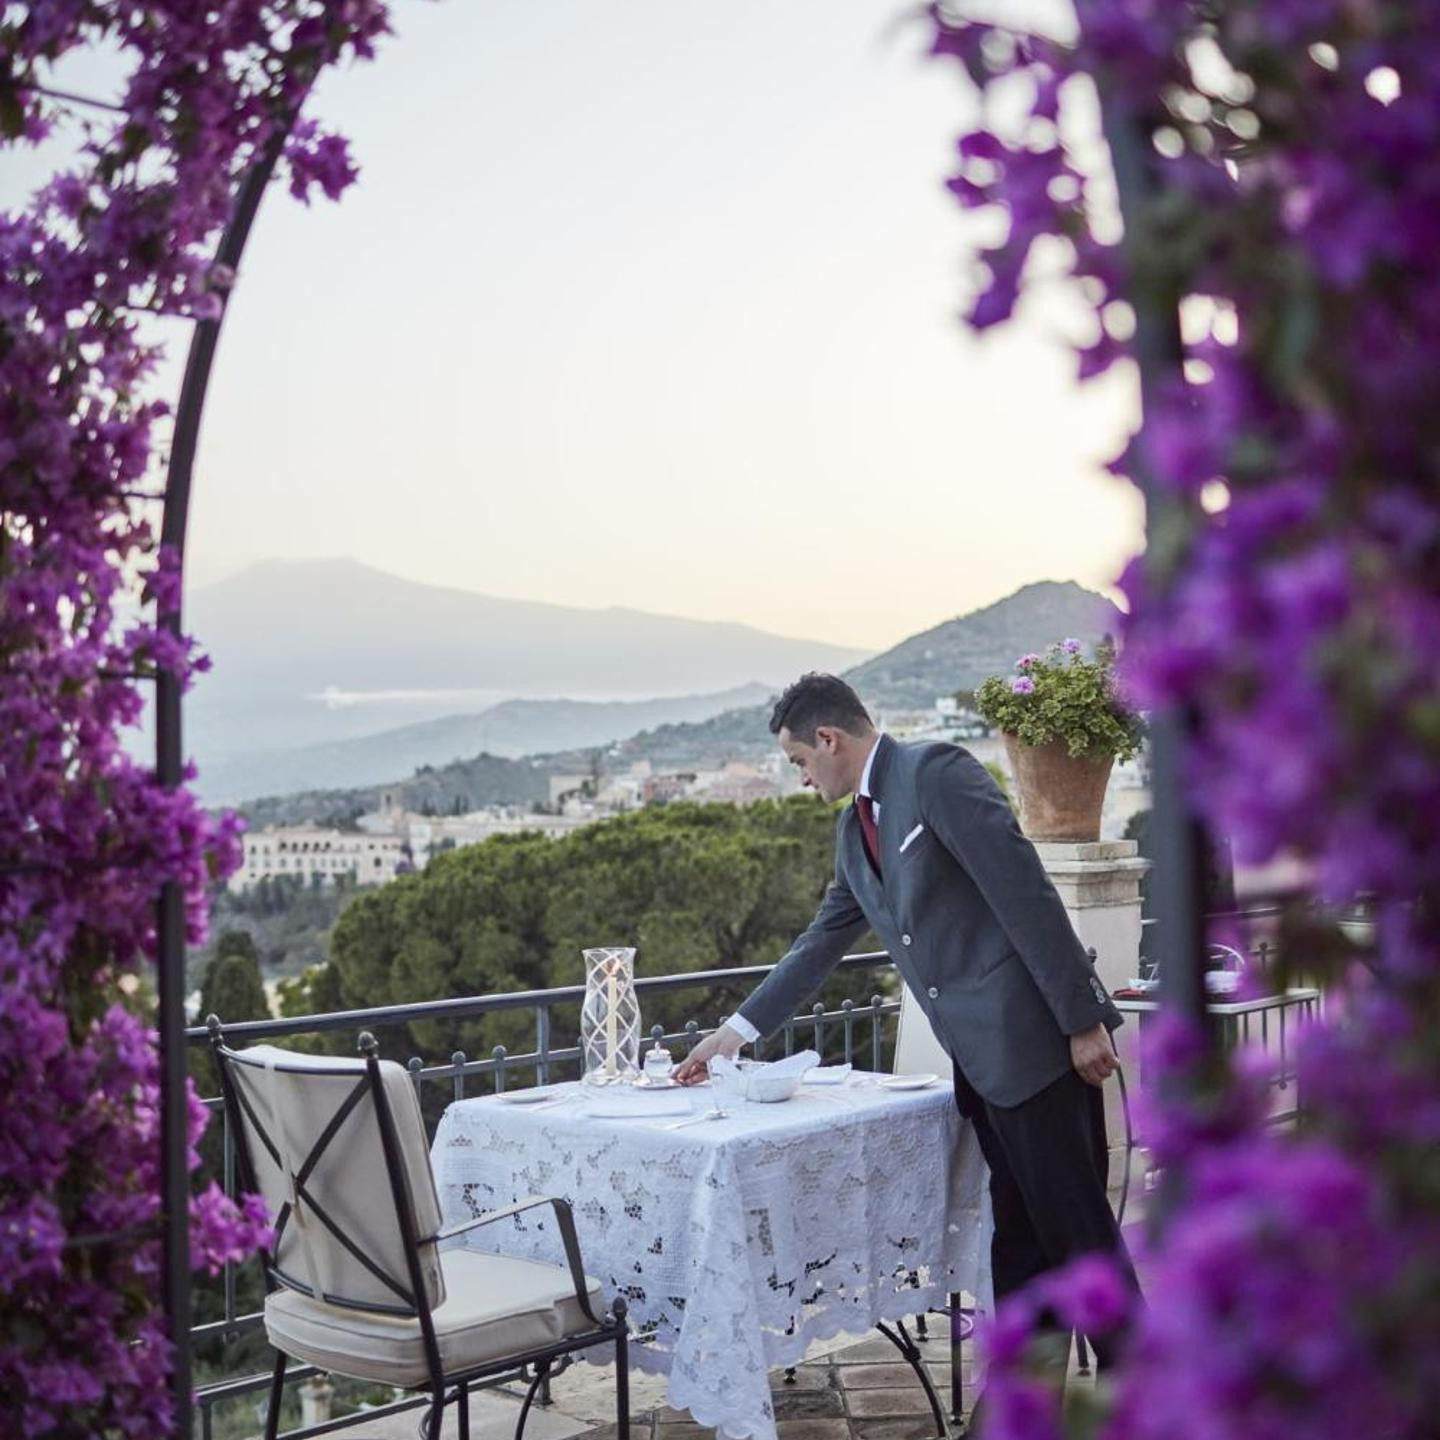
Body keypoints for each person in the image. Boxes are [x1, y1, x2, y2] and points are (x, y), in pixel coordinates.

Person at [675, 672, 1138, 1367]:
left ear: (828, 738)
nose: (800, 778)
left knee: (1079, 1238)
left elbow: (1027, 896)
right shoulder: (851, 834)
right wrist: (734, 1033)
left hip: (1037, 1049)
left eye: (799, 760)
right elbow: (820, 943)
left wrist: (1080, 1020)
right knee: (1019, 1242)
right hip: (982, 1070)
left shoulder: (936, 773)